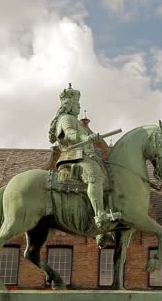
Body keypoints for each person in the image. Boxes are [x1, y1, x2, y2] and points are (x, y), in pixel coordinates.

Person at [49, 84, 110, 229]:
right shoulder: (66, 118)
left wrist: (91, 138)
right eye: (77, 104)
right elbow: (69, 134)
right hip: (73, 156)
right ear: (70, 105)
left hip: (84, 156)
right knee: (95, 177)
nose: (79, 107)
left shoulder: (75, 120)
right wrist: (86, 137)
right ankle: (99, 215)